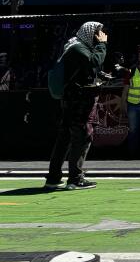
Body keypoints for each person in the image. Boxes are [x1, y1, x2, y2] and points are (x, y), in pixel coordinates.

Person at [45, 22, 109, 190]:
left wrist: (99, 74)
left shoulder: (72, 45)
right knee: (82, 136)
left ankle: (53, 178)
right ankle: (75, 178)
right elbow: (94, 61)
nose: (99, 37)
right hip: (78, 100)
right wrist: (102, 45)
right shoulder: (78, 48)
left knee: (64, 137)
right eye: (97, 34)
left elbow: (84, 68)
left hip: (70, 99)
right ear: (90, 33)